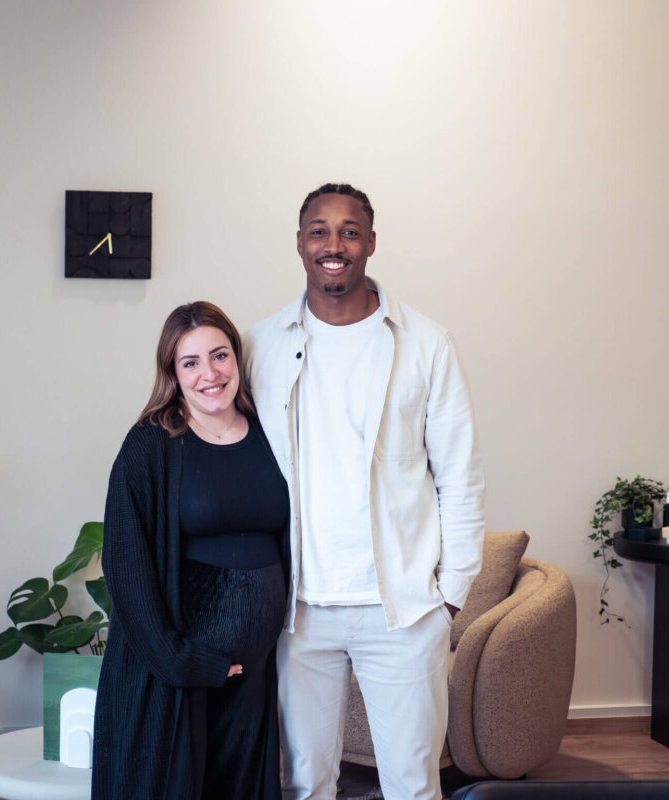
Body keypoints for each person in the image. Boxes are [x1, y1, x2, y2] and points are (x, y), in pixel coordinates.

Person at [243, 183, 485, 800]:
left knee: (412, 784)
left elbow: (460, 474)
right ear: (300, 243)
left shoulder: (426, 343)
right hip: (299, 610)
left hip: (401, 610)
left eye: (349, 231)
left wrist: (451, 593)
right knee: (305, 784)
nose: (335, 244)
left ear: (371, 243)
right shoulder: (259, 346)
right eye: (319, 231)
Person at [92, 301, 290, 800]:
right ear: (173, 373)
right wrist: (180, 661)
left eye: (220, 355)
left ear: (237, 358)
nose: (210, 373)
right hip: (178, 671)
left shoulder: (271, 430)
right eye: (191, 362)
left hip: (254, 670)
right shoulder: (150, 444)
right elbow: (125, 565)